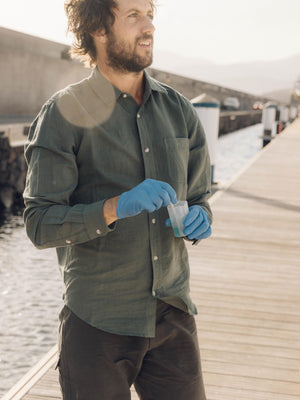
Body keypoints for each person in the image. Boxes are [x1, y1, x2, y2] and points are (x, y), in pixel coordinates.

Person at [23, 0, 213, 398]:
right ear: (99, 30)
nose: (149, 27)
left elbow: (199, 195)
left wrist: (201, 216)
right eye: (133, 16)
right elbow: (40, 224)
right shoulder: (62, 113)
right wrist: (114, 207)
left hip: (173, 315)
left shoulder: (179, 110)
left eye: (150, 15)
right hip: (97, 322)